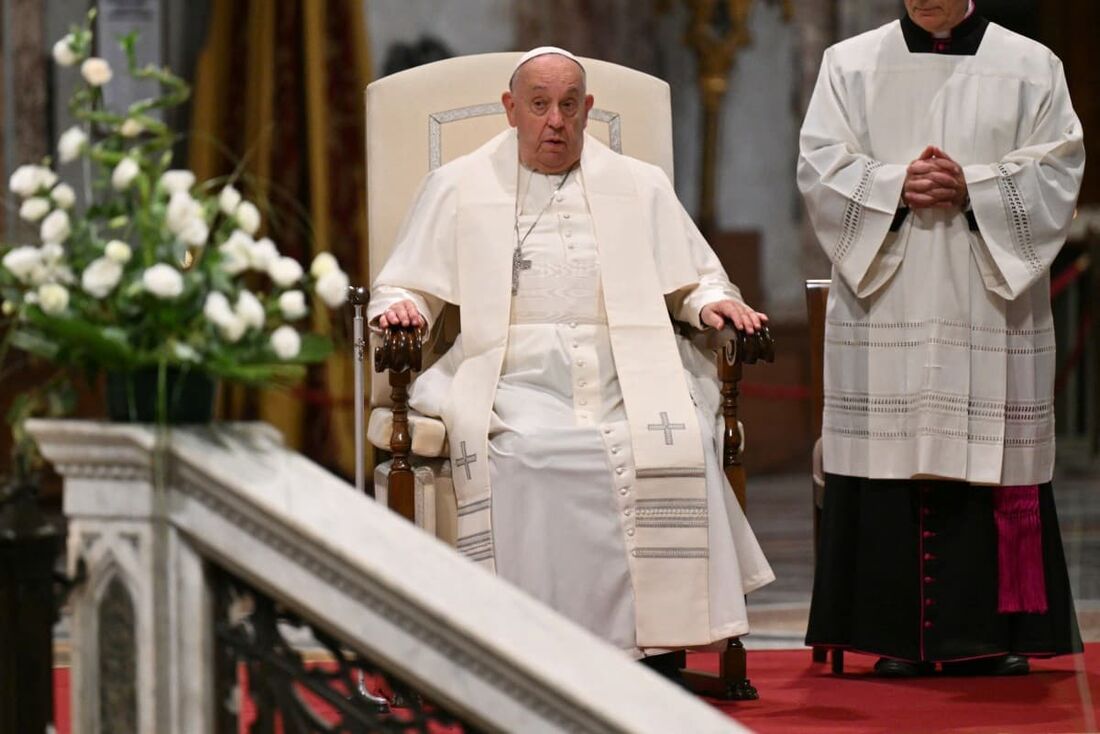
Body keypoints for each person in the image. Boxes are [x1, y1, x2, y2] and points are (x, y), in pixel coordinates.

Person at [368, 47, 774, 676]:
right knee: (529, 456)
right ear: (511, 110)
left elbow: (693, 279)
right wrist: (401, 311)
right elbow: (404, 286)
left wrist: (717, 304)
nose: (554, 121)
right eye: (538, 106)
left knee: (679, 441)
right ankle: (540, 649)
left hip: (626, 369)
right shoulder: (458, 186)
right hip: (513, 374)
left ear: (587, 111)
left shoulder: (640, 185)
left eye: (567, 106)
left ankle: (658, 649)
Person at [798, 0, 1084, 677]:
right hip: (886, 306)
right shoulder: (849, 63)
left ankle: (992, 635)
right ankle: (896, 638)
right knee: (890, 463)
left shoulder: (1031, 64)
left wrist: (975, 186)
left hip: (990, 302)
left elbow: (1058, 171)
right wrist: (898, 184)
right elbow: (819, 168)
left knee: (994, 459)